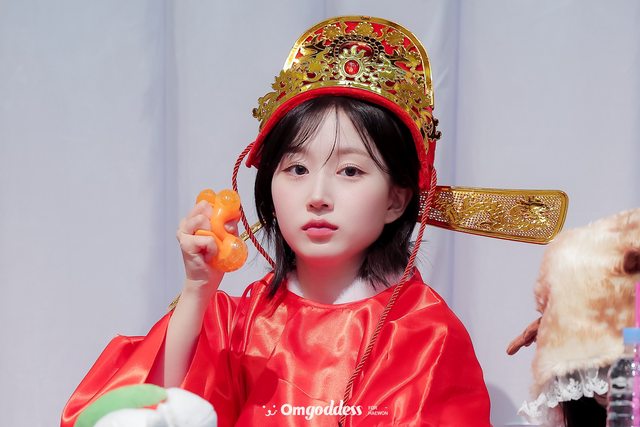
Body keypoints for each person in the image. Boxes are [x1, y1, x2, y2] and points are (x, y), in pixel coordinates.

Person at [63, 15, 569, 427]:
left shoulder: (425, 335)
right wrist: (198, 288)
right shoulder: (240, 321)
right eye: (297, 170)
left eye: (350, 171)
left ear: (396, 200)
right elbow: (153, 410)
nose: (318, 197)